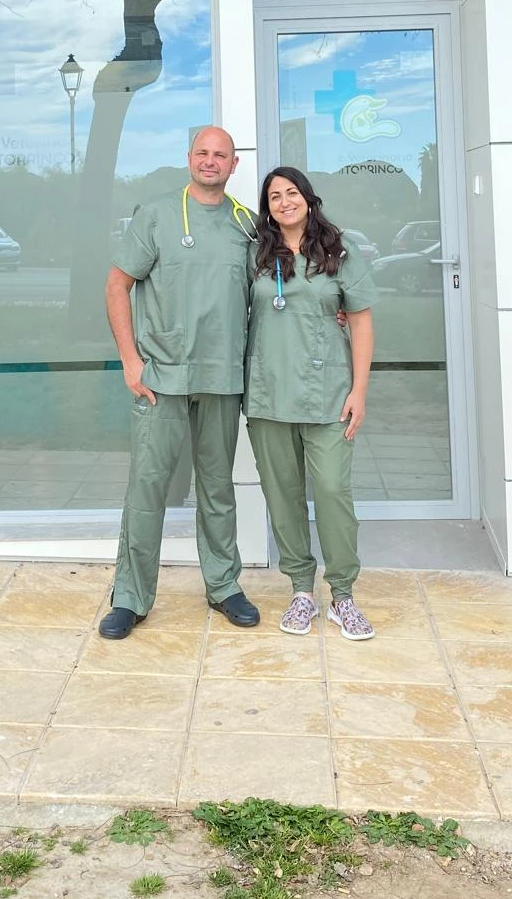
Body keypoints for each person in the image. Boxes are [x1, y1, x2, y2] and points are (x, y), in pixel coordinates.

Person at [99, 126, 261, 639]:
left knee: (217, 488)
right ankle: (130, 597)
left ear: (234, 165)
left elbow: (281, 291)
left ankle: (224, 586)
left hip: (221, 377)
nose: (210, 161)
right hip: (161, 377)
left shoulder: (247, 226)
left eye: (221, 155)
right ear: (189, 158)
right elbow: (117, 286)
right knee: (148, 488)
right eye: (202, 153)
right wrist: (130, 360)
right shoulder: (156, 216)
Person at [245, 166, 377, 639]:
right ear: (268, 207)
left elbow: (360, 320)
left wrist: (359, 390)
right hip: (268, 395)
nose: (284, 201)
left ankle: (343, 596)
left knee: (333, 495)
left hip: (328, 396)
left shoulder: (339, 251)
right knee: (282, 498)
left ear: (308, 197)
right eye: (274, 196)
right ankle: (302, 590)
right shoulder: (257, 255)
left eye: (291, 192)